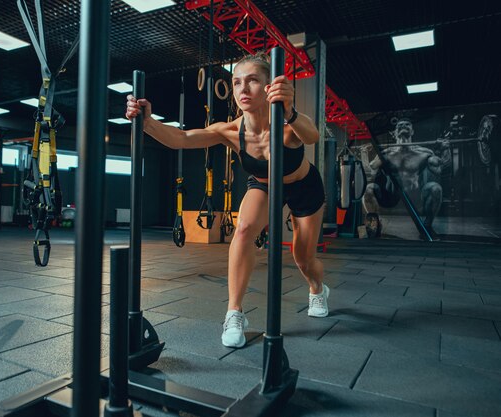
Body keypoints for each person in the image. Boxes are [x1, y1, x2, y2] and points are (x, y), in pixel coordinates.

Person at [125, 53, 327, 348]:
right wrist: (147, 122)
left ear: (270, 87)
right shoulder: (231, 131)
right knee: (243, 229)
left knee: (303, 258)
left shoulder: (286, 127)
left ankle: (317, 289)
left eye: (253, 81)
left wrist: (291, 112)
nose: (243, 89)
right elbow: (182, 139)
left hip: (303, 186)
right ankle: (235, 312)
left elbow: (312, 136)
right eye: (236, 83)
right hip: (264, 185)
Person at [362, 118, 448, 239]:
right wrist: (364, 154)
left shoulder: (424, 152)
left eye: (407, 124)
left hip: (415, 198)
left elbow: (439, 169)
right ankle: (374, 225)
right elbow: (371, 171)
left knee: (435, 188)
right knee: (368, 189)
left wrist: (445, 149)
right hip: (391, 198)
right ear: (394, 133)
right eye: (400, 125)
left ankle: (427, 226)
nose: (403, 126)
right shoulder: (386, 153)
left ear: (412, 131)